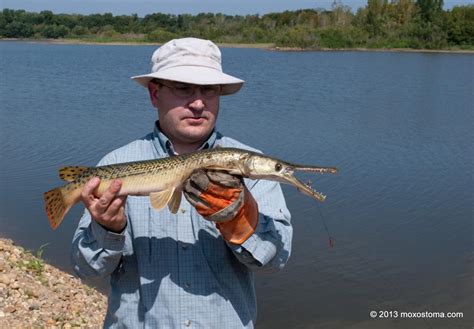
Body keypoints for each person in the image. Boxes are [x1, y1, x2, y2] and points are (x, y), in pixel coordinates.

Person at [71, 37, 293, 328]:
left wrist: (238, 219)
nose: (198, 103)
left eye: (209, 90)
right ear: (154, 94)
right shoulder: (115, 163)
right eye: (183, 88)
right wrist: (108, 229)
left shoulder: (249, 165)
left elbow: (274, 261)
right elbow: (86, 270)